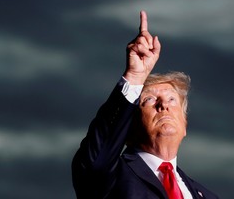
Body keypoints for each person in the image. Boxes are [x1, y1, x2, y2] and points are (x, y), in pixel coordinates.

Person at [72, 11, 219, 199]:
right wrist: (134, 76)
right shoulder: (111, 176)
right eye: (149, 100)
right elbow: (95, 161)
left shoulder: (207, 195)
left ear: (185, 125)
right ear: (129, 126)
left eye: (172, 99)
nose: (164, 105)